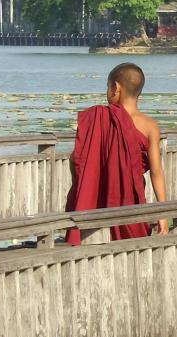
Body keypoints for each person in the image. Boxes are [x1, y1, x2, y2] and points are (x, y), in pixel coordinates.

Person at [64, 62, 169, 244]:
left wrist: (79, 186)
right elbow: (156, 171)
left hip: (93, 201)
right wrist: (163, 214)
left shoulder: (97, 118)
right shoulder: (150, 126)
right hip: (131, 203)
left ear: (115, 88)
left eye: (107, 86)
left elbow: (76, 159)